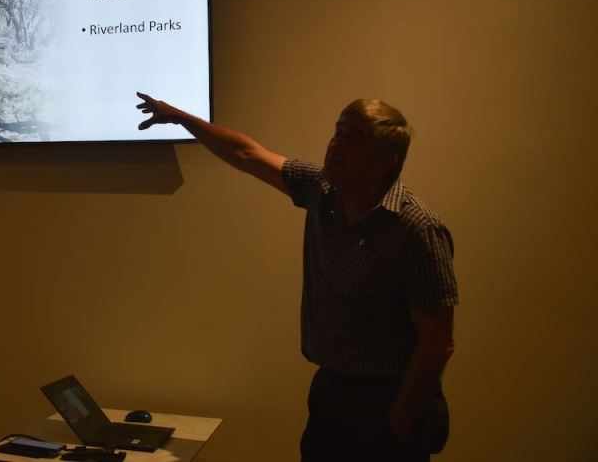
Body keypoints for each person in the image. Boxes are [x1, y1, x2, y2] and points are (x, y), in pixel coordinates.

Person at [136, 92, 457, 462]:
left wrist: (400, 419)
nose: (337, 144)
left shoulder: (416, 229)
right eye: (338, 132)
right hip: (331, 392)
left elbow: (437, 343)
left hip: (389, 399)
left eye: (354, 138)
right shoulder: (322, 192)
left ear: (387, 160)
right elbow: (246, 153)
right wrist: (180, 118)